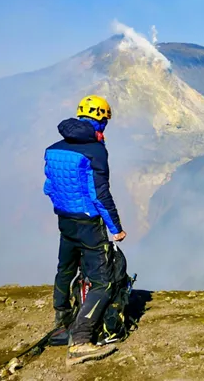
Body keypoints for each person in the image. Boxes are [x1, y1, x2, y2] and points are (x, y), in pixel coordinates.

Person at [43, 95, 127, 366]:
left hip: (64, 220)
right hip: (89, 224)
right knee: (103, 282)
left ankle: (62, 325)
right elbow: (100, 194)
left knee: (65, 269)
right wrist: (116, 229)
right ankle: (80, 341)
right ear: (101, 119)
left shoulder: (53, 148)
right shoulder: (95, 151)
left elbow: (48, 188)